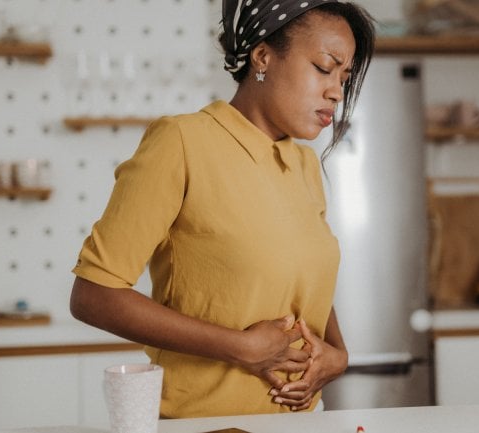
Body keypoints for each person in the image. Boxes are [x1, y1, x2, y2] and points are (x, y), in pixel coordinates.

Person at [69, 0, 375, 419]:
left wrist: (336, 353)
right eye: (324, 67)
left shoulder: (303, 164)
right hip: (202, 423)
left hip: (303, 423)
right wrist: (240, 347)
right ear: (263, 56)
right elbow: (93, 295)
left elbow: (301, 276)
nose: (336, 91)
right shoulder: (182, 142)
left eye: (345, 76)